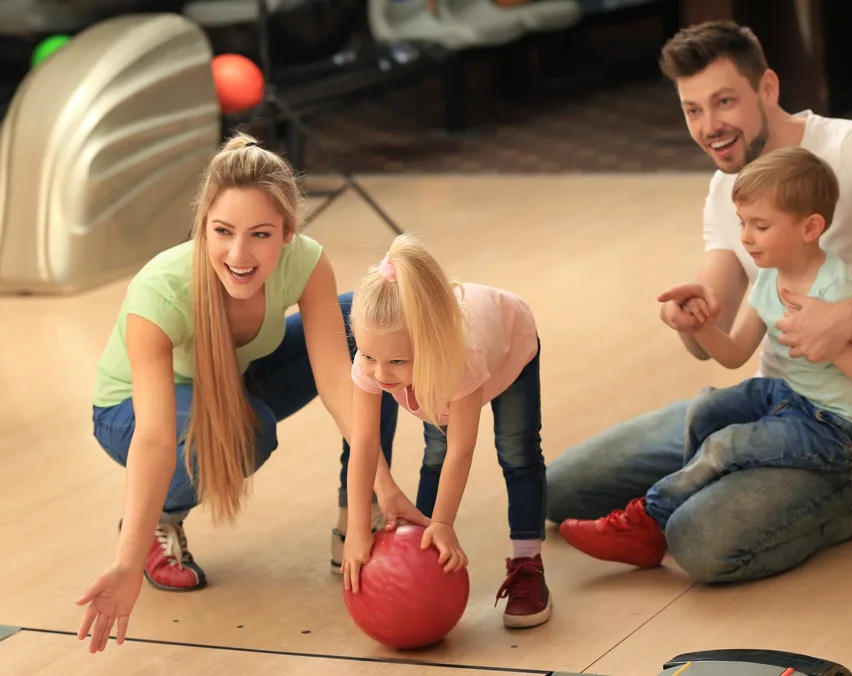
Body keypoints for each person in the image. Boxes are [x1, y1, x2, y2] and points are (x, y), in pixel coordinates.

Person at [546, 20, 852, 583]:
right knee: (557, 492)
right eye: (693, 110)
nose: (711, 128)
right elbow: (717, 336)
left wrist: (848, 317)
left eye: (725, 101)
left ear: (769, 89)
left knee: (699, 544)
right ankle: (695, 488)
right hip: (770, 407)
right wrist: (689, 316)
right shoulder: (726, 187)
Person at [75, 133, 419, 654]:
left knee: (368, 333)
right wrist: (124, 563)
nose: (238, 254)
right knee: (248, 429)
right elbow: (154, 438)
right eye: (222, 232)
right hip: (129, 413)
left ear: (287, 232)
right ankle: (155, 521)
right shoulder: (160, 289)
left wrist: (384, 484)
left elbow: (336, 380)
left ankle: (360, 514)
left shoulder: (305, 262)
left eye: (260, 234)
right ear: (203, 227)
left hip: (232, 382)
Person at [559, 146, 852, 567]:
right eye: (742, 223)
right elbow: (735, 353)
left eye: (761, 225)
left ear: (810, 227)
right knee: (707, 406)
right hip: (791, 400)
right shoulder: (770, 277)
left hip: (843, 429)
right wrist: (699, 327)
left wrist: (835, 343)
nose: (746, 237)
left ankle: (650, 522)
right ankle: (685, 500)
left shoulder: (837, 288)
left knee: (726, 444)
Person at [339, 232, 552, 629]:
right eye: (368, 356)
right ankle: (419, 548)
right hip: (437, 375)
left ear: (429, 346)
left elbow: (462, 450)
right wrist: (355, 529)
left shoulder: (460, 358)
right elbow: (365, 443)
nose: (380, 374)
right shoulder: (375, 355)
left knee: (517, 452)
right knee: (432, 454)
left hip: (511, 347)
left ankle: (528, 561)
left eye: (397, 362)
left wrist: (445, 523)